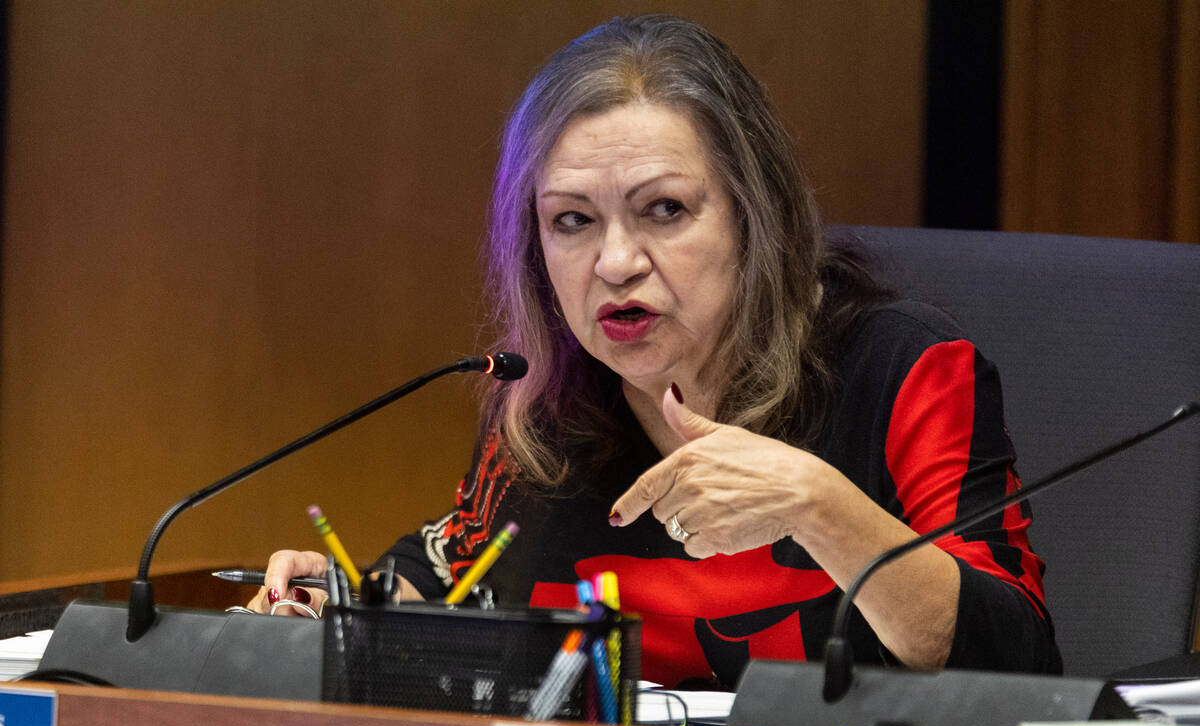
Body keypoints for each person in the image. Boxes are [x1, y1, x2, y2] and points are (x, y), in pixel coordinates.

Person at [252, 14, 1061, 689]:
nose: (615, 262)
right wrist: (344, 608)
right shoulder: (547, 405)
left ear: (755, 215)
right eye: (572, 220)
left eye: (663, 209)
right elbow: (460, 578)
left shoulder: (903, 369)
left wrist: (823, 508)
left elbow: (1017, 655)